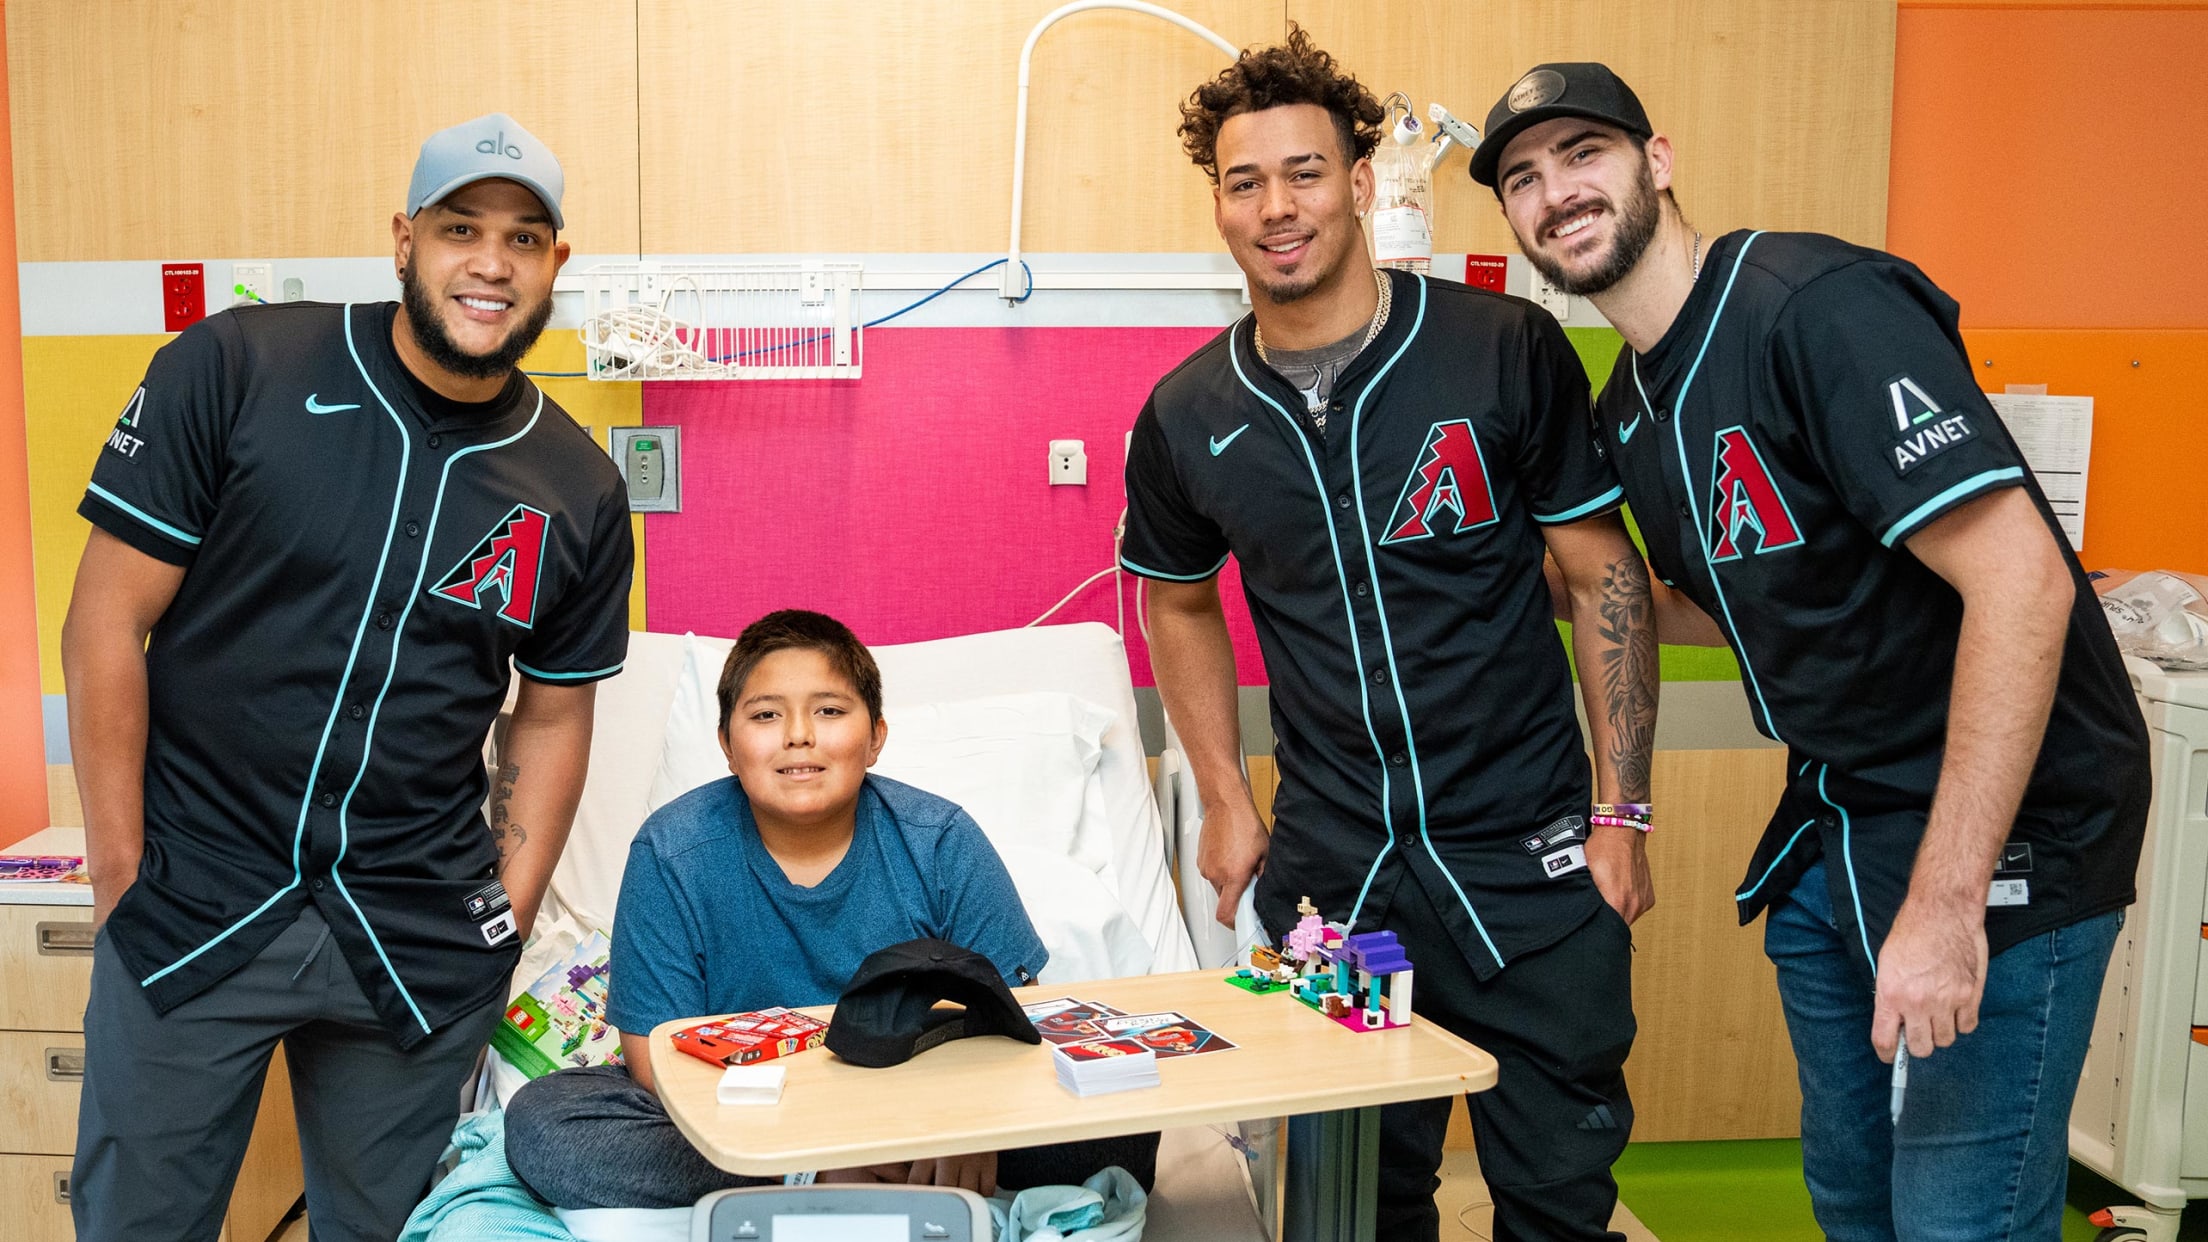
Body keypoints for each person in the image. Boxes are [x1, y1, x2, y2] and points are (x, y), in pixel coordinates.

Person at [1476, 62, 2149, 1240]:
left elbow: (2021, 579)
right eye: (1523, 178)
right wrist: (1524, 579)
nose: (1557, 192)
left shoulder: (1812, 308)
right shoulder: (1631, 407)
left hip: (2009, 825)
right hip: (1841, 823)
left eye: (1585, 153)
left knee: (1959, 1221)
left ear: (1658, 161)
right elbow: (1731, 602)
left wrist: (1947, 904)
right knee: (1851, 1198)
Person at [1119, 29, 1658, 1242]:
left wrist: (1622, 813)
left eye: (1305, 172)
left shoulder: (1500, 351)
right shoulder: (1188, 413)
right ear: (1219, 205)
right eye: (1245, 182)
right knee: (1351, 1208)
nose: (1277, 206)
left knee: (1559, 1202)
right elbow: (1177, 597)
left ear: (1361, 183)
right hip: (1338, 881)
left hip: (1531, 863)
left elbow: (1604, 576)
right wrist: (1225, 799)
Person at [62, 113, 634, 1240]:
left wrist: (506, 919)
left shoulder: (576, 486)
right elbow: (105, 624)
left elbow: (553, 715)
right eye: (460, 228)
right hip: (195, 905)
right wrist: (120, 874)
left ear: (555, 263)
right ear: (404, 239)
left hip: (416, 941)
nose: (490, 262)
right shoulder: (237, 370)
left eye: (523, 239)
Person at [504, 610, 1157, 1206]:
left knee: (1125, 1124)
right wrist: (807, 1162)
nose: (798, 736)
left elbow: (1013, 1016)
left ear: (875, 738)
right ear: (727, 744)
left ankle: (877, 1166)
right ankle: (810, 1177)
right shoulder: (671, 851)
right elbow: (653, 1058)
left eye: (829, 711)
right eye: (766, 716)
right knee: (544, 1122)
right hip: (744, 1119)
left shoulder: (940, 840)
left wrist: (973, 1123)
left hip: (922, 1107)